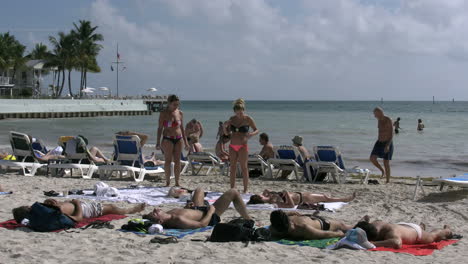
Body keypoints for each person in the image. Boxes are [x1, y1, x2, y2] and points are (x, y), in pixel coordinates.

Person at [142, 188, 251, 229]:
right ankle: (248, 219)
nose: (156, 209)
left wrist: (186, 208)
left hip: (197, 209)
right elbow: (201, 225)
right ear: (161, 221)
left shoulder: (169, 214)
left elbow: (185, 213)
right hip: (208, 215)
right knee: (233, 192)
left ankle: (199, 202)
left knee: (199, 190)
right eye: (154, 213)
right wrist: (211, 212)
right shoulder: (177, 220)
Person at [223, 99, 259, 193]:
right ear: (235, 111)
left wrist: (251, 134)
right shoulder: (232, 119)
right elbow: (227, 134)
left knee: (244, 167)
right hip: (232, 146)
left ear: (243, 110)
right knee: (233, 167)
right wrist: (224, 127)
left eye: (241, 112)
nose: (240, 114)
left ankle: (245, 189)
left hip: (243, 146)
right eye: (238, 113)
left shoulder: (248, 119)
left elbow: (256, 130)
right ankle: (232, 188)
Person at [12, 199, 145, 223]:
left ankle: (130, 209)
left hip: (82, 206)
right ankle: (131, 210)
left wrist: (51, 201)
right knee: (112, 208)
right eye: (29, 207)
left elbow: (59, 207)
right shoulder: (51, 215)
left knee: (109, 206)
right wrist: (77, 204)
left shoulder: (43, 212)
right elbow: (78, 219)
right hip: (86, 210)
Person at [354, 215, 453, 249]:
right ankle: (421, 226)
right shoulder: (374, 225)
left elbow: (397, 243)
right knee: (407, 230)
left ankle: (447, 230)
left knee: (434, 235)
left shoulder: (390, 233)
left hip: (416, 233)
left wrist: (374, 243)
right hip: (402, 226)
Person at [156, 95, 189, 187]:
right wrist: (158, 142)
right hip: (167, 138)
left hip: (179, 138)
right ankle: (167, 182)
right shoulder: (163, 113)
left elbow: (182, 128)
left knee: (178, 161)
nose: (176, 106)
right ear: (169, 103)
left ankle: (177, 182)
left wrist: (186, 142)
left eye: (177, 104)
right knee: (168, 160)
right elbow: (160, 128)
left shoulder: (180, 113)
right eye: (174, 104)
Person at [269, 210, 351, 240]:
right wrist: (338, 234)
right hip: (316, 222)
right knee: (342, 225)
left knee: (344, 226)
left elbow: (324, 234)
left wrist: (339, 234)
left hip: (319, 222)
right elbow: (324, 234)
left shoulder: (301, 227)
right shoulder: (302, 229)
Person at [248, 190, 356, 208]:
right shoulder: (274, 204)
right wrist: (287, 195)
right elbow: (290, 206)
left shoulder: (270, 197)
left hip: (301, 194)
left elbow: (266, 193)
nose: (262, 194)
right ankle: (345, 199)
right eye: (261, 195)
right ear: (260, 199)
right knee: (326, 198)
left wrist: (268, 192)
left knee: (325, 197)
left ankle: (344, 199)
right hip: (304, 199)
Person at [370, 107, 394, 183]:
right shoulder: (379, 120)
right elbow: (380, 132)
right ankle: (382, 170)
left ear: (380, 112)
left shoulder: (388, 120)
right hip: (379, 142)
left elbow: (392, 133)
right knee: (372, 158)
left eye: (375, 114)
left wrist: (387, 145)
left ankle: (387, 181)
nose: (375, 116)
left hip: (387, 142)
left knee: (386, 162)